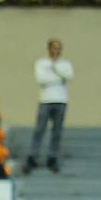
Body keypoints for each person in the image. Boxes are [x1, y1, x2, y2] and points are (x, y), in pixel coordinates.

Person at [24, 38, 73, 175]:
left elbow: (69, 76)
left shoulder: (65, 64)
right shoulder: (41, 63)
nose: (56, 51)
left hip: (61, 100)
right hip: (45, 100)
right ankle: (33, 156)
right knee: (39, 130)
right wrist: (58, 78)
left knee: (57, 132)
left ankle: (52, 157)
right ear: (49, 49)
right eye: (54, 48)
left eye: (58, 48)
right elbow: (41, 80)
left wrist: (54, 70)